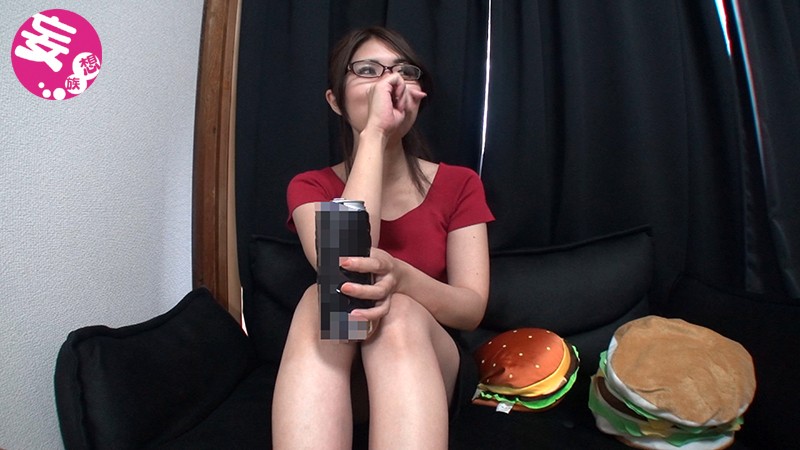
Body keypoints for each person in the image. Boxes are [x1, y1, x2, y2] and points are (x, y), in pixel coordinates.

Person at [272, 26, 494, 449]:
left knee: (398, 312)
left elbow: (470, 310)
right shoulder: (310, 186)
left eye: (404, 72)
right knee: (321, 296)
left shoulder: (460, 183)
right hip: (343, 378)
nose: (390, 83)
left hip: (426, 365)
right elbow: (342, 265)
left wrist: (401, 278)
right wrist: (374, 133)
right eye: (369, 70)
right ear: (335, 100)